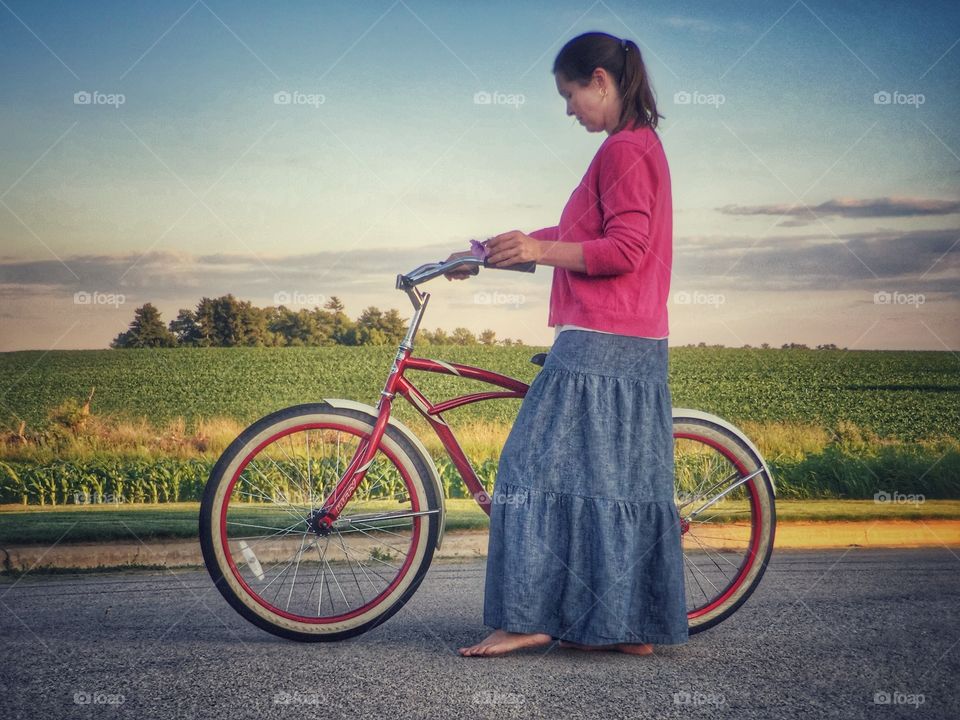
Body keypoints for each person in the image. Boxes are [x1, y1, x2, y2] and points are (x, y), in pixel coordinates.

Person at [451, 31, 688, 658]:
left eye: (570, 93)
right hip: (634, 341)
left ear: (601, 82)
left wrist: (535, 250)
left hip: (601, 340)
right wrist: (487, 254)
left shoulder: (622, 150)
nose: (568, 109)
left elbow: (625, 250)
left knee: (527, 472)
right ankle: (626, 626)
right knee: (614, 486)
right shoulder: (641, 148)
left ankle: (528, 617)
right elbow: (580, 233)